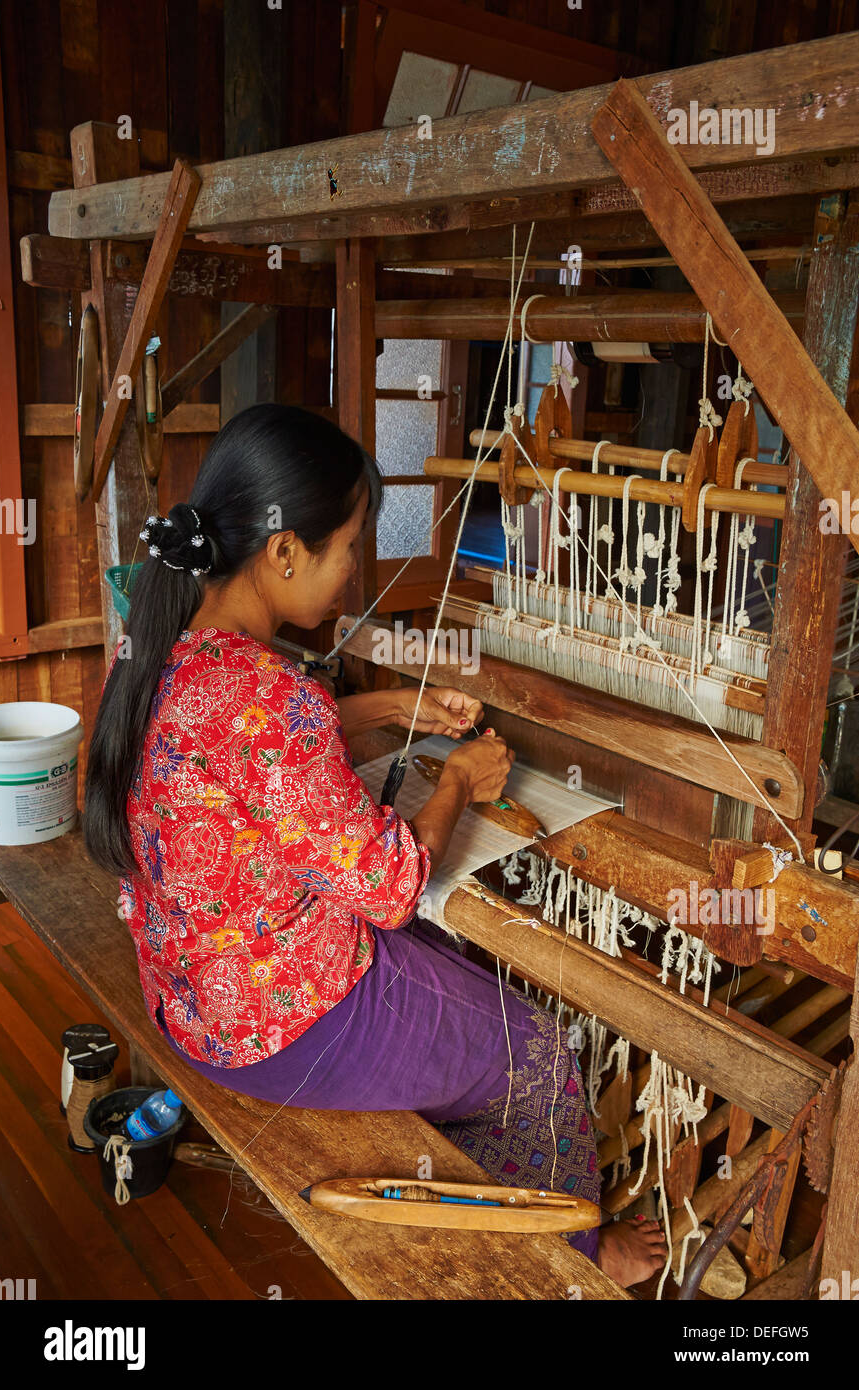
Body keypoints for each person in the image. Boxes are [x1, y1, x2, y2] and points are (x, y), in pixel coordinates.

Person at [83, 403, 665, 1290]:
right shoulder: (274, 697)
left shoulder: (162, 642)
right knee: (536, 1053)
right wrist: (461, 779)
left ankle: (469, 1177)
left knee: (453, 966)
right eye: (349, 547)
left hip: (190, 995)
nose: (354, 573)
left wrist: (391, 709)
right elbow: (392, 886)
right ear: (283, 553)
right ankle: (569, 1266)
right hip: (272, 1026)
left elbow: (239, 760)